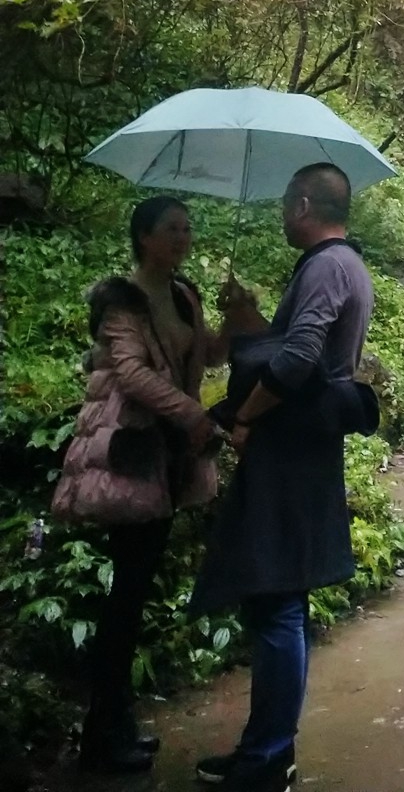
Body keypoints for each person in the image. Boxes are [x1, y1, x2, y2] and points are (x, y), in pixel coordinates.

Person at [52, 197, 260, 775]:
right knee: (126, 598)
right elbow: (131, 372)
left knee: (135, 593)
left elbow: (205, 356)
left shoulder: (183, 294)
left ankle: (113, 726)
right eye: (172, 229)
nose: (183, 237)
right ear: (144, 237)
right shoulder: (122, 301)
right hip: (131, 453)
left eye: (188, 228)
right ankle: (101, 736)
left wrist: (236, 323)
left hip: (167, 460)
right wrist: (193, 415)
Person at [190, 163, 375, 792]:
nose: (279, 215)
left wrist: (242, 416)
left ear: (302, 204)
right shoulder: (342, 264)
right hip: (305, 446)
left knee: (277, 603)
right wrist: (248, 319)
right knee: (277, 600)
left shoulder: (326, 266)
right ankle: (266, 749)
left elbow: (299, 360)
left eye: (283, 205)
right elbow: (298, 347)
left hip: (292, 452)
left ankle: (268, 758)